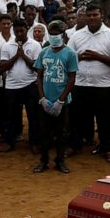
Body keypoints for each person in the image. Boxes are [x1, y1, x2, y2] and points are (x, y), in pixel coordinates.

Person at [69, 3, 110, 162]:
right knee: (76, 118)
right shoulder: (77, 35)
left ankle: (107, 149)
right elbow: (68, 59)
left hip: (102, 86)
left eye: (95, 15)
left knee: (104, 119)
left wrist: (98, 56)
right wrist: (80, 57)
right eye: (89, 15)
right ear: (85, 16)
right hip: (80, 84)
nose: (92, 18)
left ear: (102, 16)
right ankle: (74, 145)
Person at [33, 20, 78, 173]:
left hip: (62, 102)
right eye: (51, 34)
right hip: (45, 100)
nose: (53, 37)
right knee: (44, 132)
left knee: (61, 133)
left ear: (63, 35)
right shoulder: (44, 52)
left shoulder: (70, 53)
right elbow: (39, 76)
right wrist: (42, 98)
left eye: (56, 34)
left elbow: (72, 78)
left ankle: (60, 161)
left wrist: (61, 100)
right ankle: (43, 161)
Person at [0, 18, 41, 152]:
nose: (19, 34)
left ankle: (34, 143)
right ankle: (10, 142)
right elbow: (3, 66)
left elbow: (37, 67)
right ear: (13, 30)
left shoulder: (35, 45)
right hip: (11, 86)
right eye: (17, 31)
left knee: (33, 116)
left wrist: (24, 56)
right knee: (11, 117)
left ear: (27, 29)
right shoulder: (7, 45)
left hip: (30, 85)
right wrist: (16, 56)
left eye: (22, 31)